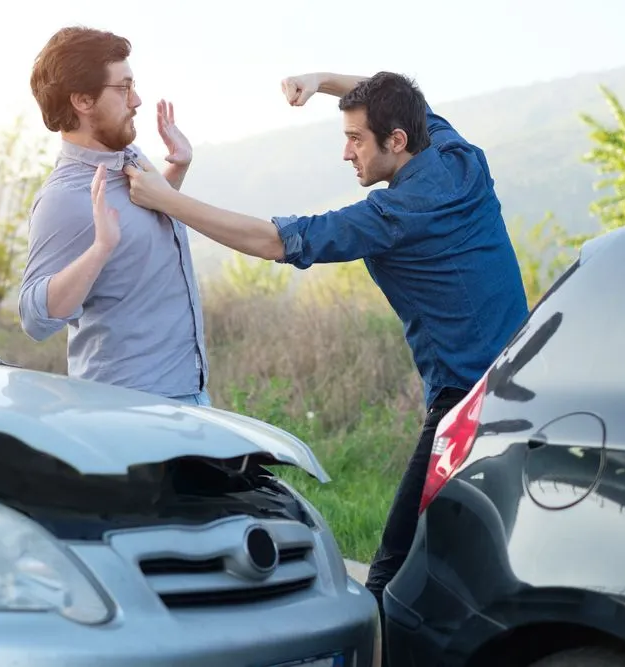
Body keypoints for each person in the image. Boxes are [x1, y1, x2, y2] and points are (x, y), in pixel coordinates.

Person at [121, 69, 530, 647]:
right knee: (475, 554)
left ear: (395, 143)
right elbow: (401, 96)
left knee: (390, 573)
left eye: (356, 140)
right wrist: (322, 82)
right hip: (523, 377)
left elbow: (275, 241)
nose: (345, 153)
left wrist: (169, 200)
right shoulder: (455, 153)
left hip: (464, 402)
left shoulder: (393, 217)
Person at [19, 26, 210, 406]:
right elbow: (34, 318)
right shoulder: (64, 199)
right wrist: (99, 249)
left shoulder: (130, 157)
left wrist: (177, 169)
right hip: (129, 407)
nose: (136, 100)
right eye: (123, 88)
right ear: (83, 101)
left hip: (186, 389)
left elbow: (143, 223)